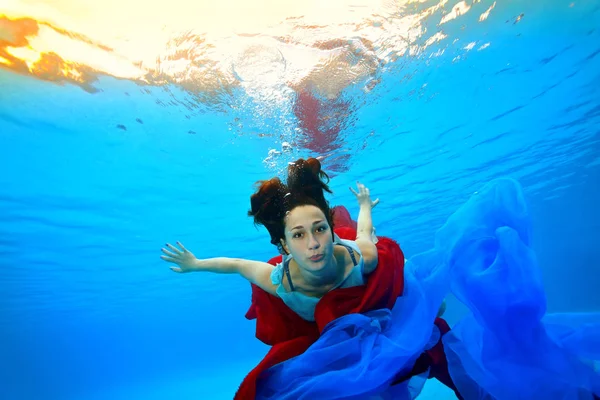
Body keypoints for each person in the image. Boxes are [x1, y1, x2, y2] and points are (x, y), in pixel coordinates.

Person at [160, 157, 381, 322]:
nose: (313, 244)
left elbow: (362, 234)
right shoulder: (282, 283)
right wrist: (196, 264)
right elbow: (238, 265)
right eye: (298, 234)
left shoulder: (360, 259)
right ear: (284, 244)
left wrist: (364, 206)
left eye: (320, 229)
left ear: (331, 231)